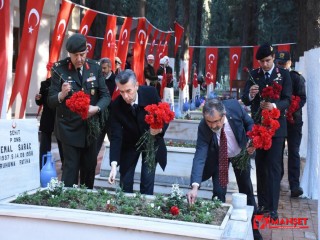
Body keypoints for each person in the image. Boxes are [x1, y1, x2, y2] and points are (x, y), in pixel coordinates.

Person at [186, 98, 262, 240]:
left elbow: (249, 123)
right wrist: (195, 186)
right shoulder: (204, 126)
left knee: (247, 192)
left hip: (240, 152)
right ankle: (217, 231)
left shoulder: (234, 107)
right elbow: (200, 155)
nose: (213, 126)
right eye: (209, 122)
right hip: (220, 157)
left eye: (216, 122)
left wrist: (251, 140)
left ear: (224, 114)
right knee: (219, 193)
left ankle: (255, 230)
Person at [48, 33, 111, 189]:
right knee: (70, 171)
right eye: (75, 55)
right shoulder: (59, 69)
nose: (79, 59)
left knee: (89, 171)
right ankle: (68, 207)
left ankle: (85, 207)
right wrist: (61, 95)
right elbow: (50, 101)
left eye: (82, 54)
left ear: (86, 52)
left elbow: (106, 96)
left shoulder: (95, 68)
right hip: (68, 129)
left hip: (91, 130)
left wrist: (96, 108)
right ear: (69, 54)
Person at [241, 43, 292, 220]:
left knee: (274, 167)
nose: (264, 65)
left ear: (273, 58)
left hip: (276, 129)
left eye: (268, 61)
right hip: (258, 127)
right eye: (262, 61)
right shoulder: (254, 75)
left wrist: (274, 105)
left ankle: (273, 207)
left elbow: (288, 100)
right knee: (261, 166)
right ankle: (262, 204)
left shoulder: (283, 75)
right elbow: (244, 100)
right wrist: (251, 94)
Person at [108, 69, 168, 195]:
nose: (125, 96)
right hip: (130, 143)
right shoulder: (116, 105)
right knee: (125, 181)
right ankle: (126, 210)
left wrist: (159, 129)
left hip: (151, 140)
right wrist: (113, 165)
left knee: (147, 180)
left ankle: (144, 210)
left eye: (128, 91)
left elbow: (165, 115)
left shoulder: (150, 93)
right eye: (121, 91)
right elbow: (116, 136)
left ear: (136, 86)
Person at [275, 51, 307, 198]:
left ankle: (294, 185)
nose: (281, 66)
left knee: (293, 152)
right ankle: (276, 180)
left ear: (289, 63)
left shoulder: (296, 77)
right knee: (277, 151)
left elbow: (302, 97)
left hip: (294, 120)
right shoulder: (274, 77)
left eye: (284, 64)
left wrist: (293, 106)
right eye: (279, 64)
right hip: (278, 121)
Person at [35, 77, 64, 170]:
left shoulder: (64, 82)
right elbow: (40, 101)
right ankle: (43, 165)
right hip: (47, 117)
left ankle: (66, 165)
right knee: (44, 145)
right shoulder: (45, 84)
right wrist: (37, 99)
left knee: (63, 145)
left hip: (60, 118)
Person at [96, 57, 116, 155]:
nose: (102, 71)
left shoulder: (117, 81)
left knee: (114, 145)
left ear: (110, 68)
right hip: (99, 118)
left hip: (112, 118)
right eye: (101, 68)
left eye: (104, 68)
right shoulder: (97, 79)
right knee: (95, 147)